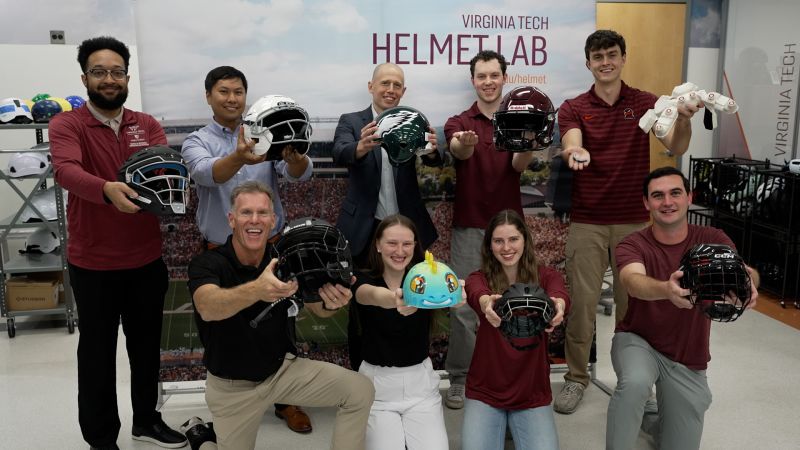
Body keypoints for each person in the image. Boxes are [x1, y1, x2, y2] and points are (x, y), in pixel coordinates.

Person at [554, 29, 703, 414]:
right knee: (583, 306)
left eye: (612, 54)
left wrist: (684, 119)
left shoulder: (646, 103)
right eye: (598, 56)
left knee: (634, 306)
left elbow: (677, 145)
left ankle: (634, 381)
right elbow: (572, 140)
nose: (605, 62)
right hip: (587, 221)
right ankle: (575, 379)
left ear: (623, 58)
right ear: (588, 63)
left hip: (635, 225)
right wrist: (575, 150)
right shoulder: (573, 106)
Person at [49, 36, 187, 449]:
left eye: (116, 71)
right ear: (85, 77)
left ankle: (145, 420)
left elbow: (166, 170)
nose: (109, 79)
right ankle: (101, 438)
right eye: (99, 71)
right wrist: (107, 189)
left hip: (146, 260)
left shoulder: (147, 125)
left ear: (127, 77)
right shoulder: (67, 124)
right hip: (93, 265)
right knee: (96, 357)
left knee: (146, 351)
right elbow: (65, 171)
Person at [186, 181, 374, 450]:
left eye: (263, 213)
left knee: (360, 390)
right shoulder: (209, 262)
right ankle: (201, 437)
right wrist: (257, 290)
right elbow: (208, 306)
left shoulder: (285, 258)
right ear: (231, 219)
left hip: (282, 371)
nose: (255, 220)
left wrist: (334, 302)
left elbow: (317, 309)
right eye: (246, 212)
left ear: (273, 220)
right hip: (233, 386)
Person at [181, 66, 314, 433]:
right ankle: (232, 402)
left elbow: (300, 174)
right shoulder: (198, 140)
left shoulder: (267, 128)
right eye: (223, 91)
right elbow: (206, 174)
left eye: (238, 91)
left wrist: (294, 156)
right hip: (221, 251)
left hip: (269, 246)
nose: (231, 98)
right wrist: (241, 156)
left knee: (283, 324)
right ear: (208, 95)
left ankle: (287, 400)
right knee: (226, 328)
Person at [607, 167, 759, 449]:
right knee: (635, 385)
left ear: (689, 197)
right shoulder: (633, 242)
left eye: (675, 193)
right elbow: (633, 281)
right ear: (646, 203)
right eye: (658, 195)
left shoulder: (713, 237)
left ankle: (655, 415)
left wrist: (748, 283)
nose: (667, 202)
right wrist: (666, 288)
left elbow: (744, 270)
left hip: (688, 354)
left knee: (676, 442)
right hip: (638, 341)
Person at [442, 50, 538, 409]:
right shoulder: (459, 120)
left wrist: (526, 145)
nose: (487, 81)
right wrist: (464, 145)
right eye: (481, 76)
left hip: (510, 229)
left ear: (503, 78)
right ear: (473, 80)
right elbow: (458, 150)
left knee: (514, 303)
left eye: (494, 75)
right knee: (465, 308)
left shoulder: (516, 119)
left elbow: (519, 163)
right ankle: (459, 379)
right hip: (469, 227)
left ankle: (509, 376)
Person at [332, 63, 440, 371]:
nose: (390, 89)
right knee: (362, 305)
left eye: (397, 85)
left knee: (416, 299)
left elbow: (434, 159)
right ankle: (360, 378)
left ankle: (415, 367)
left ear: (403, 91)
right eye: (384, 83)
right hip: (366, 229)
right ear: (371, 86)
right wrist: (361, 147)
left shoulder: (413, 119)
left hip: (408, 229)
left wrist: (432, 149)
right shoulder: (352, 121)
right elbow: (339, 152)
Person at [463, 209, 569, 450]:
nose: (506, 247)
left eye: (513, 239)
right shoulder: (478, 278)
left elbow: (559, 295)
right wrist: (486, 303)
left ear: (525, 241)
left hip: (531, 391)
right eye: (498, 241)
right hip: (486, 391)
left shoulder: (547, 276)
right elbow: (475, 292)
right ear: (489, 245)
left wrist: (558, 308)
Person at [351, 214, 451, 450]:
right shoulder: (363, 278)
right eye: (392, 243)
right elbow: (370, 295)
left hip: (421, 388)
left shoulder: (427, 278)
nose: (400, 250)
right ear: (377, 244)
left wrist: (458, 297)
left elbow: (451, 295)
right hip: (377, 391)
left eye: (407, 243)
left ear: (415, 245)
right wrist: (394, 299)